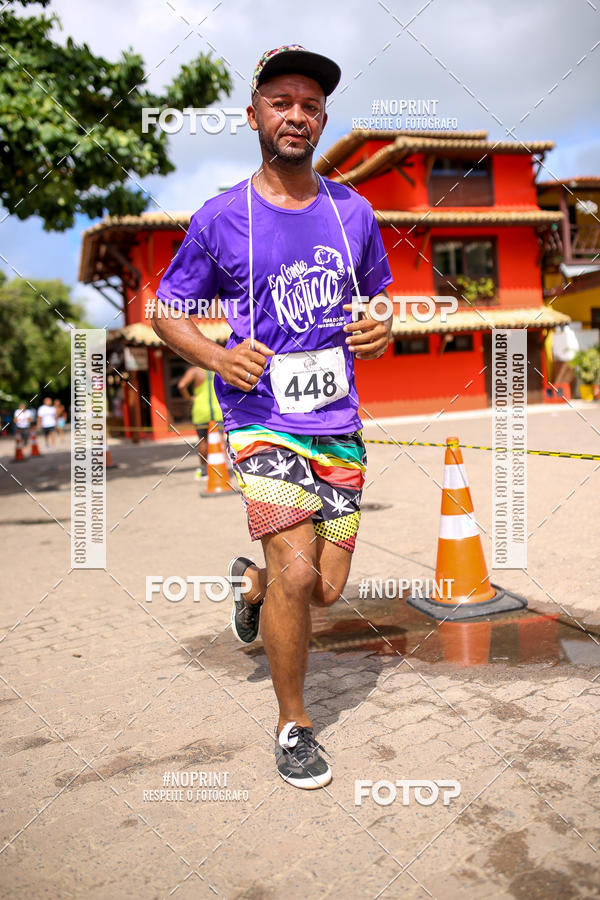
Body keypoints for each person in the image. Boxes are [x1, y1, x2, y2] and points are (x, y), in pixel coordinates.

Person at [152, 45, 393, 790]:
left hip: (337, 421)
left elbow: (379, 295)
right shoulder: (222, 217)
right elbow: (166, 310)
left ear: (323, 119)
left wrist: (383, 324)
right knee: (297, 569)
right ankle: (295, 724)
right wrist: (218, 359)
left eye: (311, 105)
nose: (297, 115)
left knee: (319, 588)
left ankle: (250, 587)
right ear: (254, 111)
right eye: (282, 101)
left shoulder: (352, 210)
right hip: (262, 420)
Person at [177, 366, 223, 478]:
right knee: (220, 439)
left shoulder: (195, 371)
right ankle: (221, 469)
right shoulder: (217, 369)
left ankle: (204, 471)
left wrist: (190, 398)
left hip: (201, 410)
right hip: (218, 409)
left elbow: (181, 385)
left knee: (203, 441)